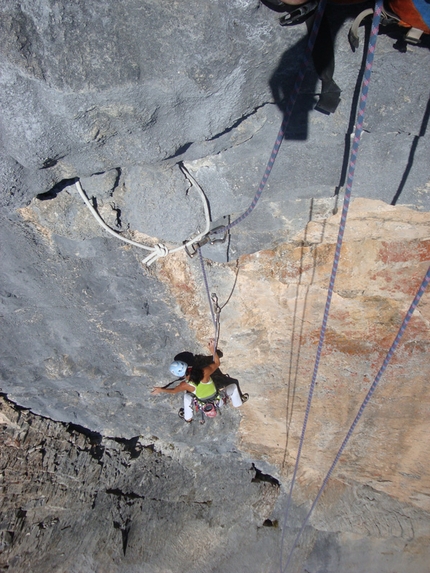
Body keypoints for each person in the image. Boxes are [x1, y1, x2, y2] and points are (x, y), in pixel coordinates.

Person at [151, 340, 245, 422]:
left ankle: (188, 418)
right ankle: (238, 402)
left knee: (187, 397)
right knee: (233, 386)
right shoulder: (204, 373)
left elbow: (174, 391)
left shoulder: (184, 385)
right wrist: (212, 349)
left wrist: (161, 390)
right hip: (218, 402)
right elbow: (217, 363)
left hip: (209, 405)